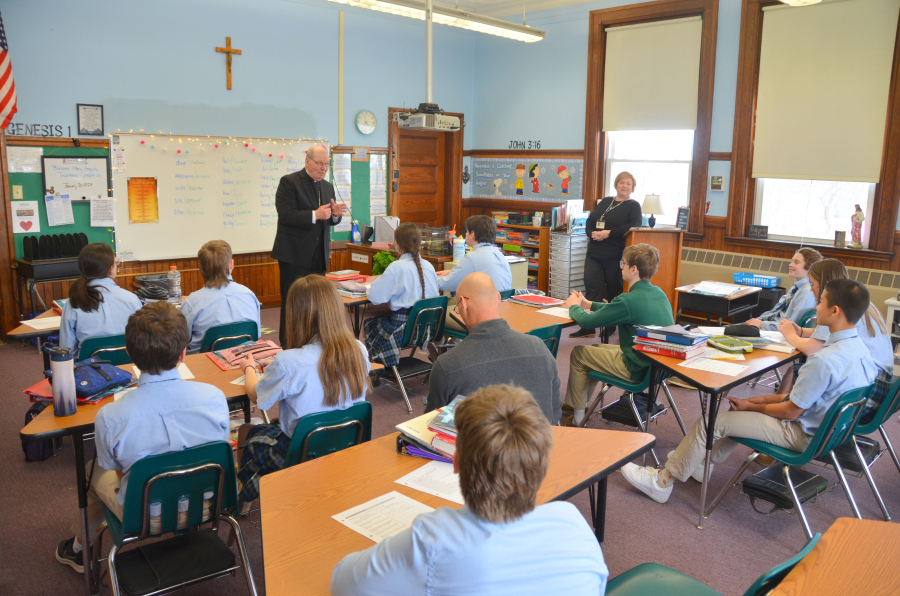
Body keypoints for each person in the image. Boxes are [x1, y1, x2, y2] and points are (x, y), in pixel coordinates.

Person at [331, 384, 608, 596]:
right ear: (542, 464)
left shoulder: (432, 540)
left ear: (456, 461)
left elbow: (343, 582)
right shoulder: (574, 525)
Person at [622, 279, 877, 503]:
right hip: (829, 433)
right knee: (736, 419)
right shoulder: (862, 352)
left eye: (821, 302)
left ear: (835, 311)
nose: (816, 306)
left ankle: (662, 482)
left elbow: (790, 411)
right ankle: (702, 463)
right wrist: (752, 403)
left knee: (711, 422)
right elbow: (802, 399)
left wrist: (753, 406)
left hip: (802, 435)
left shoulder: (824, 360)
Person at [55, 302, 230, 572]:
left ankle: (79, 548)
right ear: (183, 353)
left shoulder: (111, 416)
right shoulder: (215, 397)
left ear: (129, 354)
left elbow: (114, 469)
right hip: (208, 503)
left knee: (91, 474)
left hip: (146, 515)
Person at [236, 275, 370, 502]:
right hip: (346, 448)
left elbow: (256, 395)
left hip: (299, 454)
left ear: (296, 315)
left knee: (249, 434)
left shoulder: (288, 363)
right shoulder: (358, 349)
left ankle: (242, 499)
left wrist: (249, 368)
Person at [426, 272, 561, 423]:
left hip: (480, 445)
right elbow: (555, 412)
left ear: (463, 304)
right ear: (498, 298)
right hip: (540, 443)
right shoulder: (540, 348)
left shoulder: (447, 364)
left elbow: (433, 427)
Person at [563, 243, 674, 426]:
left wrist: (573, 307)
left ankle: (577, 418)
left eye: (623, 262)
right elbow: (617, 310)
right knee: (596, 348)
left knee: (579, 354)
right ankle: (578, 403)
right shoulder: (658, 293)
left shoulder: (628, 300)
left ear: (634, 269)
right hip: (656, 368)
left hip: (636, 369)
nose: (620, 266)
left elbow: (587, 322)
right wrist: (588, 304)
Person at [779, 259, 893, 423]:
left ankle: (782, 421)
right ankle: (783, 416)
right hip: (883, 389)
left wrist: (790, 335)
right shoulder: (854, 302)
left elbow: (812, 349)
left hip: (864, 393)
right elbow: (827, 336)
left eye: (813, 285)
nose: (811, 290)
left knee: (797, 373)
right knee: (797, 372)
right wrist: (802, 331)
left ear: (824, 285)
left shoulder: (835, 309)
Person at [271, 144, 347, 346]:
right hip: (293, 256)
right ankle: (288, 346)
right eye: (320, 163)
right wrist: (315, 215)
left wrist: (335, 216)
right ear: (307, 161)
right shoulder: (289, 182)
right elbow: (286, 215)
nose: (323, 168)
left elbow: (328, 219)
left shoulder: (328, 186)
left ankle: (313, 344)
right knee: (292, 303)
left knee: (317, 304)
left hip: (318, 256)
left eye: (327, 164)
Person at [572, 171, 643, 338]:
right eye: (621, 182)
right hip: (594, 254)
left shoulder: (634, 206)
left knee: (613, 292)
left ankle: (610, 326)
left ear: (632, 188)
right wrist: (592, 234)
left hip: (615, 256)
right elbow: (590, 222)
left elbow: (633, 226)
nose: (624, 186)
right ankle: (587, 326)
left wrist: (608, 233)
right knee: (592, 290)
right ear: (616, 184)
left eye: (628, 184)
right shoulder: (605, 201)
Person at [364, 223, 439, 368]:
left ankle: (378, 368)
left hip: (403, 330)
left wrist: (371, 285)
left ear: (397, 244)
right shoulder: (429, 266)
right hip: (426, 330)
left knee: (371, 323)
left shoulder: (396, 268)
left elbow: (375, 297)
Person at [59, 243, 142, 358]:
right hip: (129, 368)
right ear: (110, 269)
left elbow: (66, 351)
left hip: (89, 371)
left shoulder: (73, 303)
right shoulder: (131, 299)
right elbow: (143, 340)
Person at [181, 240, 261, 353]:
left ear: (201, 268)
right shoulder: (249, 295)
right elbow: (256, 335)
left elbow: (181, 342)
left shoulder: (192, 303)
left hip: (202, 365)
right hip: (243, 361)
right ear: (231, 264)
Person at [435, 215, 512, 334]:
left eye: (466, 231)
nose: (464, 234)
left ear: (472, 234)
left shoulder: (472, 257)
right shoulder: (499, 255)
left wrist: (427, 277)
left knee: (436, 315)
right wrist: (452, 272)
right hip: (501, 313)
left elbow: (445, 285)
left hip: (481, 317)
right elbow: (480, 271)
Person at [745, 248, 822, 332]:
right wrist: (758, 321)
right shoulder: (795, 288)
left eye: (796, 262)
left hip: (776, 332)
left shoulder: (807, 292)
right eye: (792, 261)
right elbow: (775, 312)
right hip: (770, 325)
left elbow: (793, 325)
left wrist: (761, 324)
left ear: (810, 267)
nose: (790, 264)